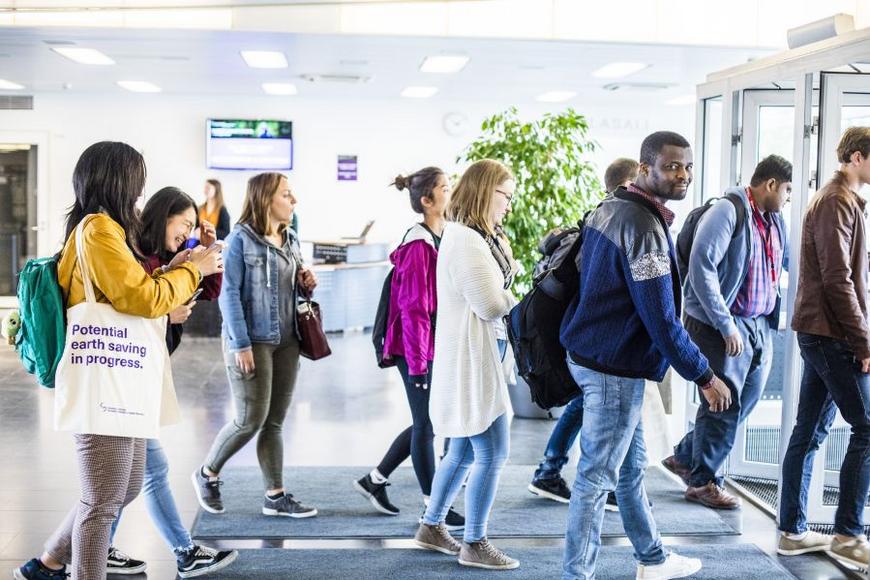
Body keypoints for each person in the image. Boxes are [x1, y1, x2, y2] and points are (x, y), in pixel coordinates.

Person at [14, 141, 223, 580]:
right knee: (101, 501)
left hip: (118, 380)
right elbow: (140, 299)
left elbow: (129, 292)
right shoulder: (98, 230)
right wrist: (192, 272)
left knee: (123, 488)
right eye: (135, 182)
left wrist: (178, 268)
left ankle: (49, 563)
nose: (139, 194)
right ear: (118, 180)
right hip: (104, 381)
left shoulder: (104, 230)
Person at [559, 131, 731, 580]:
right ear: (645, 168)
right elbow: (662, 320)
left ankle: (651, 558)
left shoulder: (610, 207)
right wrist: (704, 376)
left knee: (631, 468)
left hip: (594, 352)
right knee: (596, 478)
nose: (683, 175)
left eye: (688, 166)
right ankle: (576, 574)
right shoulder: (643, 228)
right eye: (672, 166)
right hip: (612, 366)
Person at [663, 155, 791, 509]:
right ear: (770, 185)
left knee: (740, 404)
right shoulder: (728, 210)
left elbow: (787, 263)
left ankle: (687, 457)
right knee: (722, 402)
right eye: (787, 190)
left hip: (759, 324)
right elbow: (702, 267)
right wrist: (725, 324)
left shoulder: (776, 221)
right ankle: (703, 482)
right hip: (718, 323)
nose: (788, 198)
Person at [192, 172, 319, 520]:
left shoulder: (290, 238)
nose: (293, 201)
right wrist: (241, 344)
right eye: (286, 194)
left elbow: (291, 286)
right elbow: (228, 294)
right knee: (250, 419)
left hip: (288, 339)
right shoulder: (239, 241)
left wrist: (307, 283)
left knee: (275, 421)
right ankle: (207, 473)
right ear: (265, 199)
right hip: (252, 340)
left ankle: (275, 495)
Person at [414, 159, 519, 571]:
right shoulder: (467, 241)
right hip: (472, 358)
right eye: (505, 196)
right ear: (484, 192)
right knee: (493, 450)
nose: (509, 205)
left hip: (472, 353)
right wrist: (517, 303)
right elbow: (492, 303)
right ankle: (474, 542)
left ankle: (431, 526)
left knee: (461, 447)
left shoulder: (473, 237)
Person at [777, 126, 870, 569]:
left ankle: (792, 532)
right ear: (857, 157)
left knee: (809, 430)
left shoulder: (844, 200)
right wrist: (864, 342)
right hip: (830, 333)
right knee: (868, 429)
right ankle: (848, 535)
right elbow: (839, 279)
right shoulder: (836, 201)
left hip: (821, 330)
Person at [353, 167, 464, 529]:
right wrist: (418, 367)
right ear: (427, 201)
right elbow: (415, 309)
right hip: (413, 348)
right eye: (446, 189)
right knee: (426, 424)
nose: (452, 192)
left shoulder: (442, 234)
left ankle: (375, 480)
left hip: (427, 345)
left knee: (425, 422)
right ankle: (435, 508)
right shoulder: (419, 243)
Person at [528, 157, 640, 509]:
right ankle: (564, 475)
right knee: (592, 405)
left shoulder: (596, 219)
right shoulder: (612, 224)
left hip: (577, 334)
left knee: (586, 402)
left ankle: (553, 471)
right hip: (592, 339)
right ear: (628, 186)